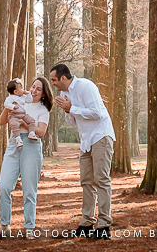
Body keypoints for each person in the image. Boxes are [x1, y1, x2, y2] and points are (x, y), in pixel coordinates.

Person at [49, 63, 115, 240]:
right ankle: (86, 223)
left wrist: (71, 108)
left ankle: (104, 225)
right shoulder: (65, 94)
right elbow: (72, 122)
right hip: (86, 140)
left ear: (63, 78)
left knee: (101, 179)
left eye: (54, 80)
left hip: (101, 135)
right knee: (86, 181)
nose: (52, 83)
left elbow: (97, 113)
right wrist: (67, 110)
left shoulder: (86, 86)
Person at [0, 76, 52, 233]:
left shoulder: (42, 110)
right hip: (14, 145)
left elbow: (41, 132)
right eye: (33, 87)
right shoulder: (19, 101)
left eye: (38, 89)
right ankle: (5, 225)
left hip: (31, 146)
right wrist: (8, 107)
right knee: (4, 186)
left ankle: (29, 226)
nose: (34, 91)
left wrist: (26, 125)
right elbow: (2, 121)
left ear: (43, 94)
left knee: (29, 190)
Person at [4, 78, 34, 149]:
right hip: (14, 115)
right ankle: (18, 139)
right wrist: (13, 106)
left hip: (23, 114)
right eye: (21, 88)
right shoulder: (10, 98)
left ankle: (32, 133)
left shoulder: (23, 97)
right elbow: (6, 104)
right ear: (15, 91)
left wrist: (28, 93)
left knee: (31, 120)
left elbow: (29, 100)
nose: (23, 89)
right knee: (14, 125)